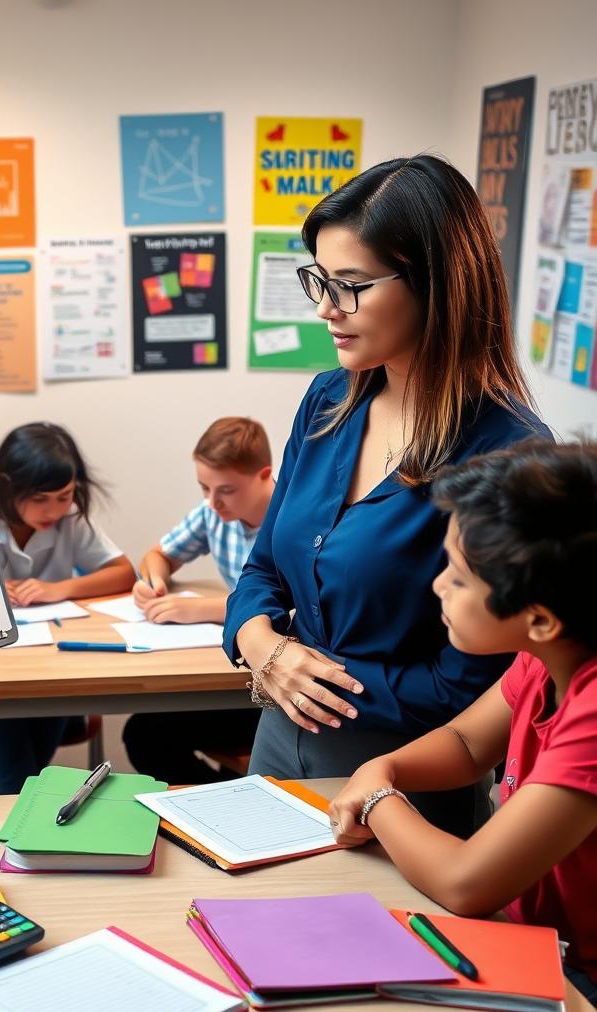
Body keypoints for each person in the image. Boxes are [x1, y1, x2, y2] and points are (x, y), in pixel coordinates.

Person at [224, 154, 551, 838]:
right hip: (277, 742)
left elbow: (472, 689)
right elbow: (263, 570)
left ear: (437, 284)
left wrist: (316, 676)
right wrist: (261, 644)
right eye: (318, 279)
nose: (324, 308)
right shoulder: (327, 399)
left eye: (350, 285)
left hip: (404, 782)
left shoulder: (509, 454)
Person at [328, 440, 597, 1006]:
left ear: (540, 618)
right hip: (534, 938)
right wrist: (386, 765)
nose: (437, 586)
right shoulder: (548, 653)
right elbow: (468, 741)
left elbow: (465, 882)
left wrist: (377, 797)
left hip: (583, 981)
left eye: (458, 577)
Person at [0, 422, 135, 794]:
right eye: (40, 499)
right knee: (19, 767)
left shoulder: (69, 518)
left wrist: (59, 588)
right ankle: (18, 800)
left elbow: (123, 574)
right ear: (9, 486)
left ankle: (19, 801)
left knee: (28, 770)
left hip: (51, 667)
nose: (54, 510)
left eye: (64, 496)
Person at [123, 417, 274, 783]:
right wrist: (155, 579)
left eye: (226, 490)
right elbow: (159, 554)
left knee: (146, 734)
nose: (212, 502)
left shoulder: (292, 519)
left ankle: (227, 801)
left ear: (264, 475)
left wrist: (201, 609)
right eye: (204, 488)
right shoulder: (214, 512)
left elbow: (293, 607)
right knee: (142, 733)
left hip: (271, 686)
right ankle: (222, 796)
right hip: (228, 673)